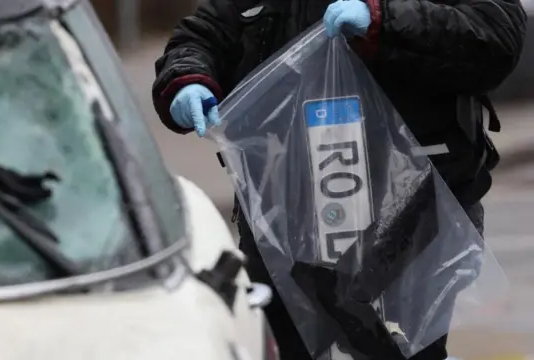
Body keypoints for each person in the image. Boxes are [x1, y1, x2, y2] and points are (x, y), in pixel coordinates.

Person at [152, 0, 526, 359]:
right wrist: (187, 79)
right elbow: (203, 35)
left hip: (413, 214)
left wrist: (383, 21)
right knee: (285, 343)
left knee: (401, 349)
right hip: (287, 220)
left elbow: (494, 33)